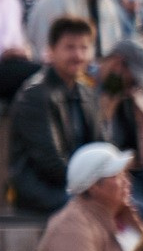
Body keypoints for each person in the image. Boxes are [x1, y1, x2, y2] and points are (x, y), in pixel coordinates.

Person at [11, 14, 106, 212]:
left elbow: (101, 147)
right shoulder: (35, 94)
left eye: (84, 48)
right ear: (51, 51)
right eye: (70, 47)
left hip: (80, 186)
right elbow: (51, 163)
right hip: (45, 191)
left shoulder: (86, 92)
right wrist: (93, 188)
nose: (78, 55)